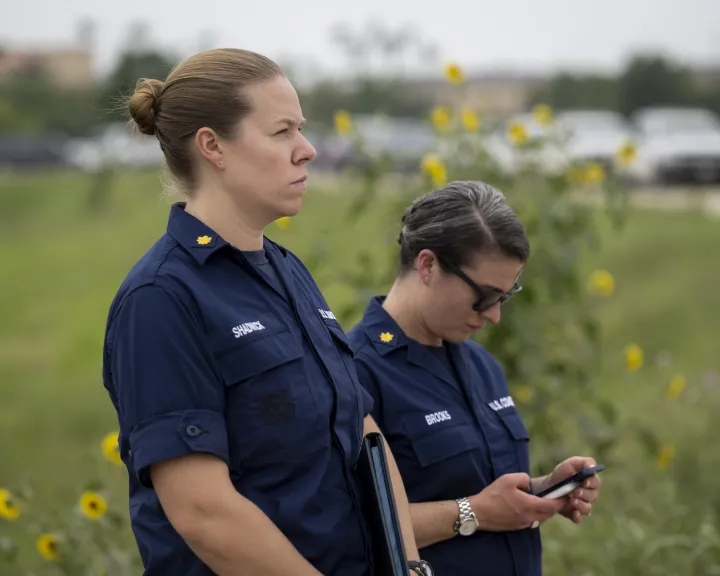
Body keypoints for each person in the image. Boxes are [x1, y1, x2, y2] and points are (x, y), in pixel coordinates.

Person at [101, 48, 420, 576]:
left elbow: (363, 432)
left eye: (302, 129)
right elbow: (204, 513)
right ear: (213, 147)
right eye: (283, 132)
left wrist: (409, 566)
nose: (309, 150)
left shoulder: (286, 271)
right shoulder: (161, 299)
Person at [347, 181, 603, 576]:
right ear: (428, 266)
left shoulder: (480, 363)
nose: (494, 315)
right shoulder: (355, 373)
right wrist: (474, 513)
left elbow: (482, 491)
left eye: (504, 296)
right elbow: (351, 527)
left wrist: (544, 490)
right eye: (483, 297)